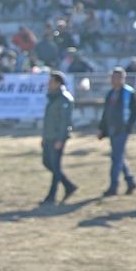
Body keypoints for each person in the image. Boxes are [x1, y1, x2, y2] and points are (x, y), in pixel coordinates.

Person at [97, 67, 136, 196]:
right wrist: (101, 128)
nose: (114, 80)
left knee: (116, 158)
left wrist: (128, 127)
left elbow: (135, 112)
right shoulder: (110, 93)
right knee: (118, 156)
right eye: (113, 77)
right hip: (111, 128)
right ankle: (130, 181)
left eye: (117, 77)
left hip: (122, 129)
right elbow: (106, 113)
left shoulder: (128, 93)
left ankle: (113, 186)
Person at [40, 71, 77, 205]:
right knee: (47, 162)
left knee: (55, 166)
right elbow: (48, 120)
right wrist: (44, 137)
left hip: (57, 138)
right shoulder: (52, 97)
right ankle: (68, 185)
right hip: (49, 136)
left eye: (51, 81)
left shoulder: (65, 99)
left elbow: (65, 122)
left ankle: (51, 196)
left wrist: (61, 139)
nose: (48, 84)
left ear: (58, 83)